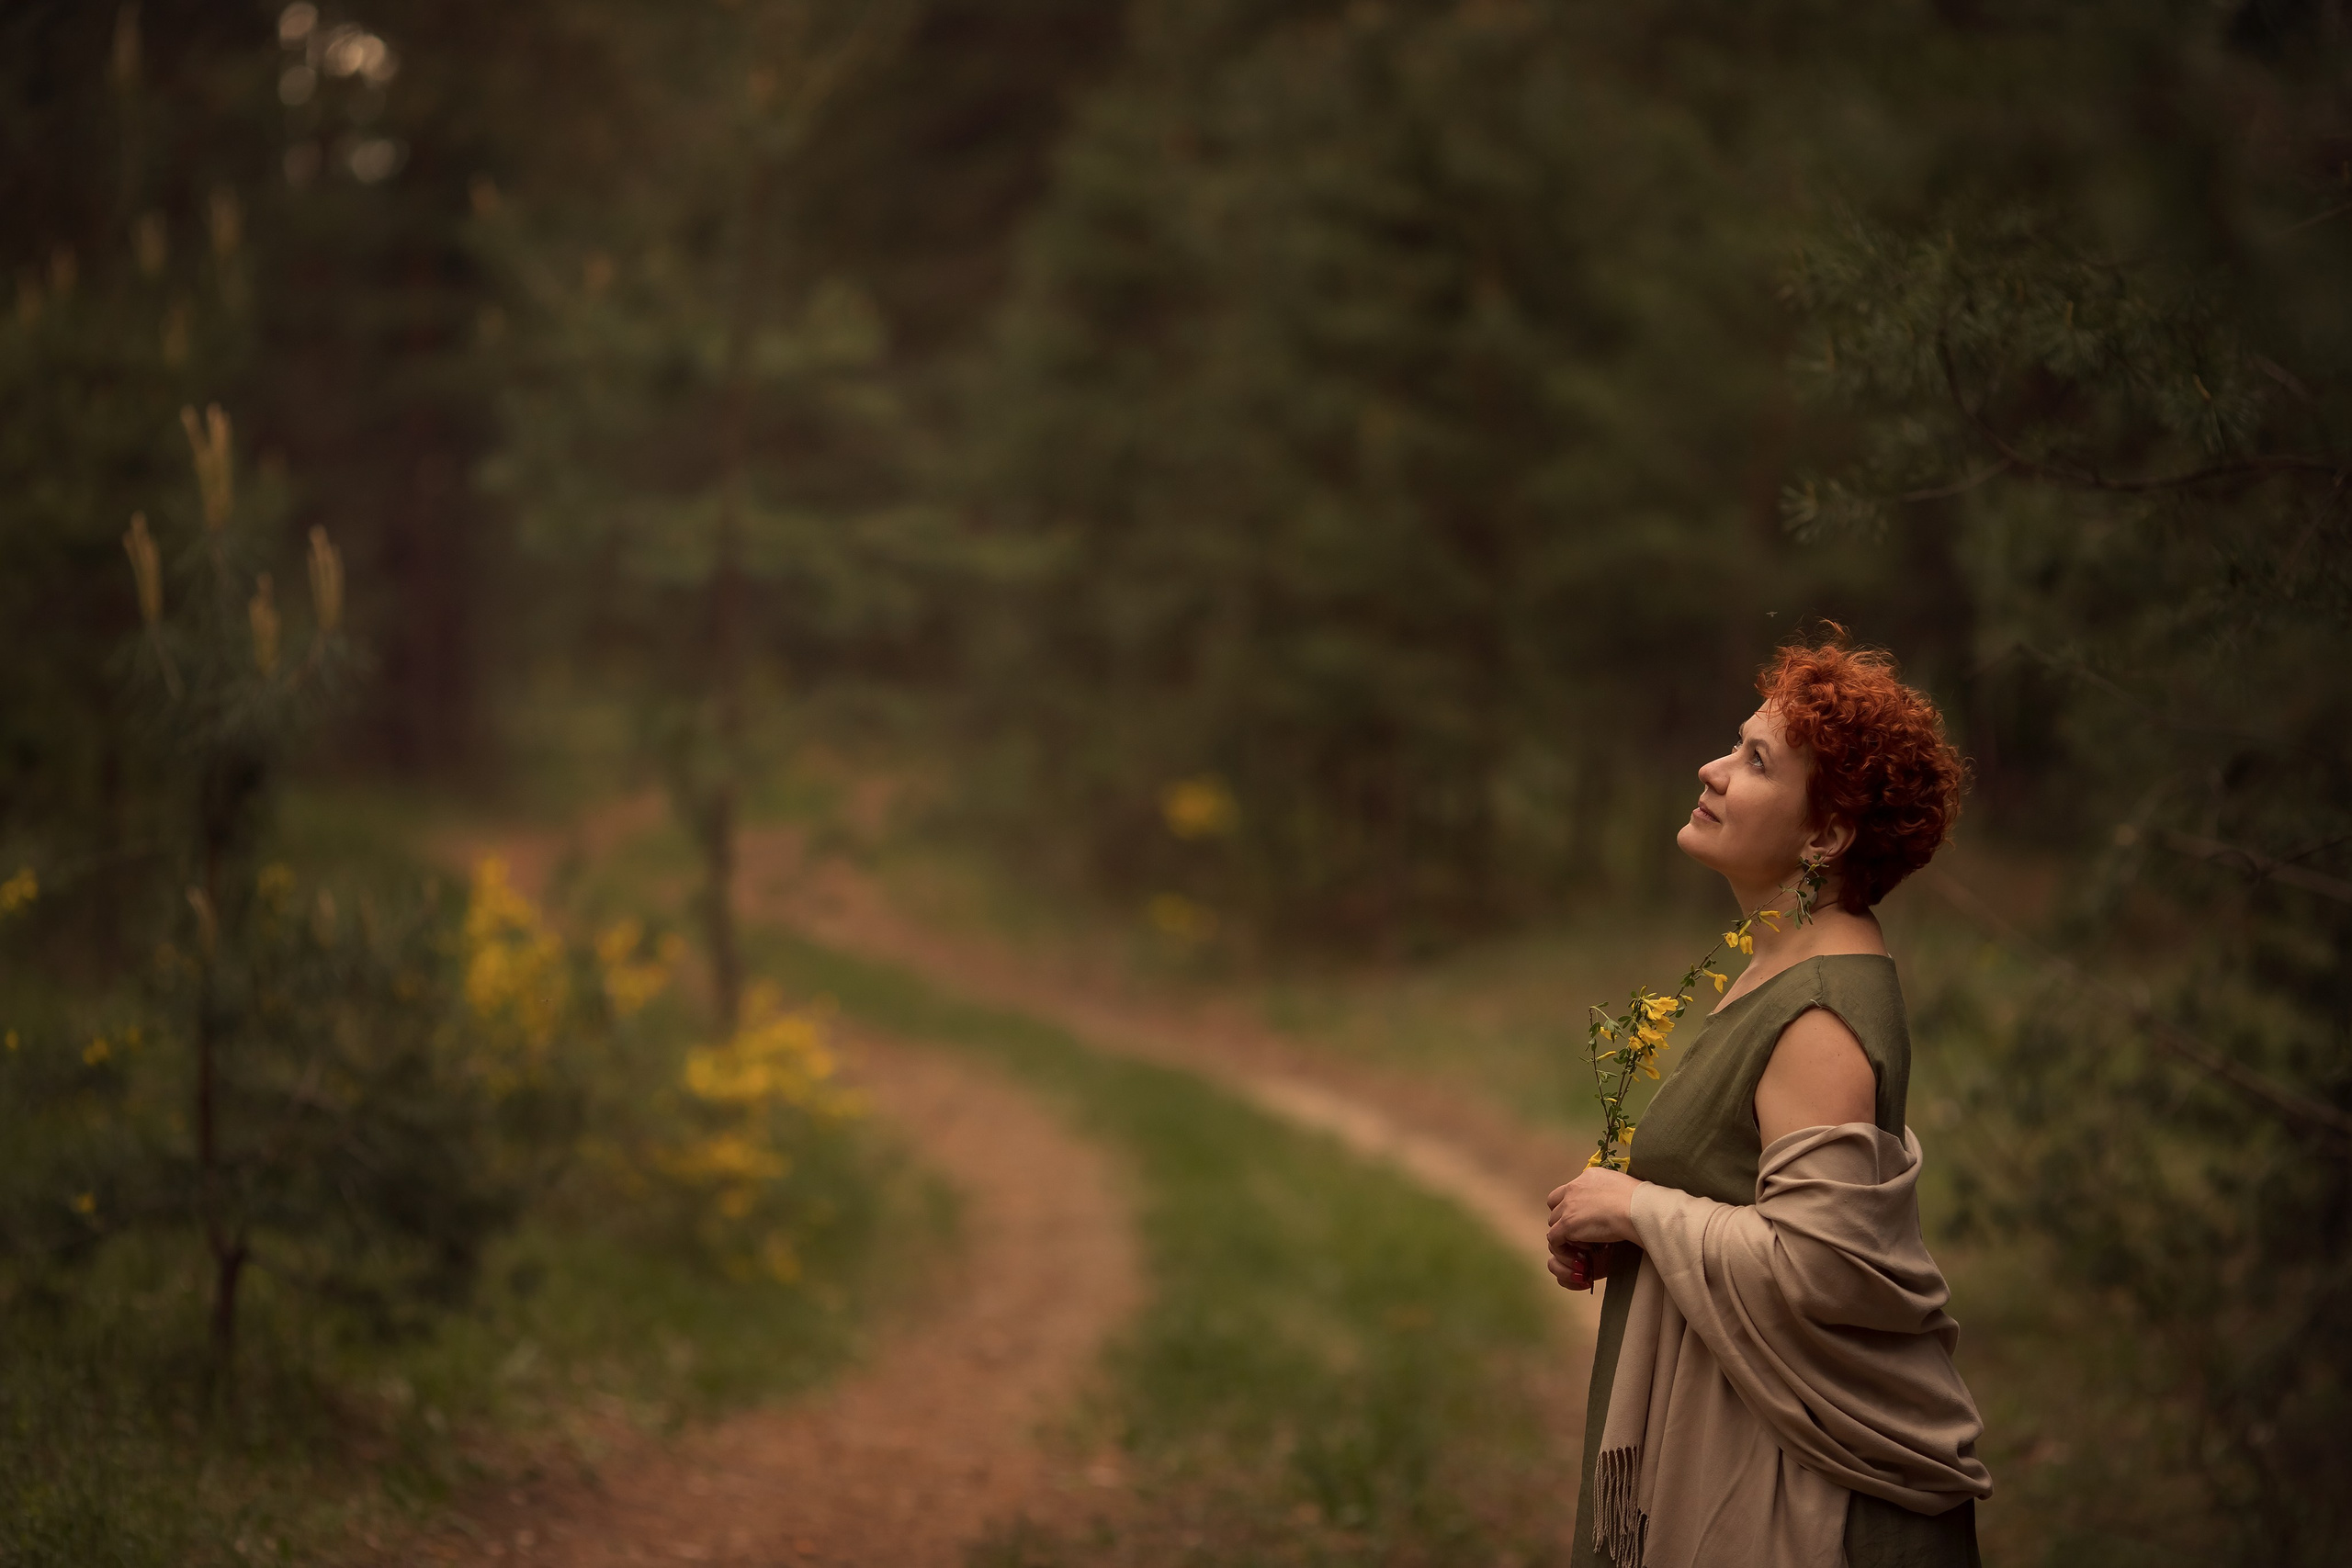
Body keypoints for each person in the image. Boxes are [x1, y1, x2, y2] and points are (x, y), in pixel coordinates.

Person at [1546, 633, 1993, 1568]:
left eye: (1754, 761)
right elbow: (1756, 1199)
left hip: (1796, 1500)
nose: (1709, 770)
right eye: (1734, 744)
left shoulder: (1821, 1011)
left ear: (1825, 838)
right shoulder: (1779, 966)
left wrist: (1634, 1208)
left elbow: (1820, 1268)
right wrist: (1638, 1237)